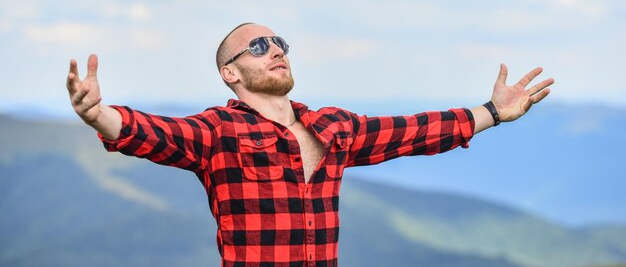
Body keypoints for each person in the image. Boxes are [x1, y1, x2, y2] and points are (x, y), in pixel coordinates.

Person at [66, 22, 554, 267]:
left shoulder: (333, 128)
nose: (275, 49)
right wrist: (96, 114)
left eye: (278, 42)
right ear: (229, 73)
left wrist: (491, 113)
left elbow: (413, 131)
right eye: (258, 46)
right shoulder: (218, 133)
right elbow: (153, 133)